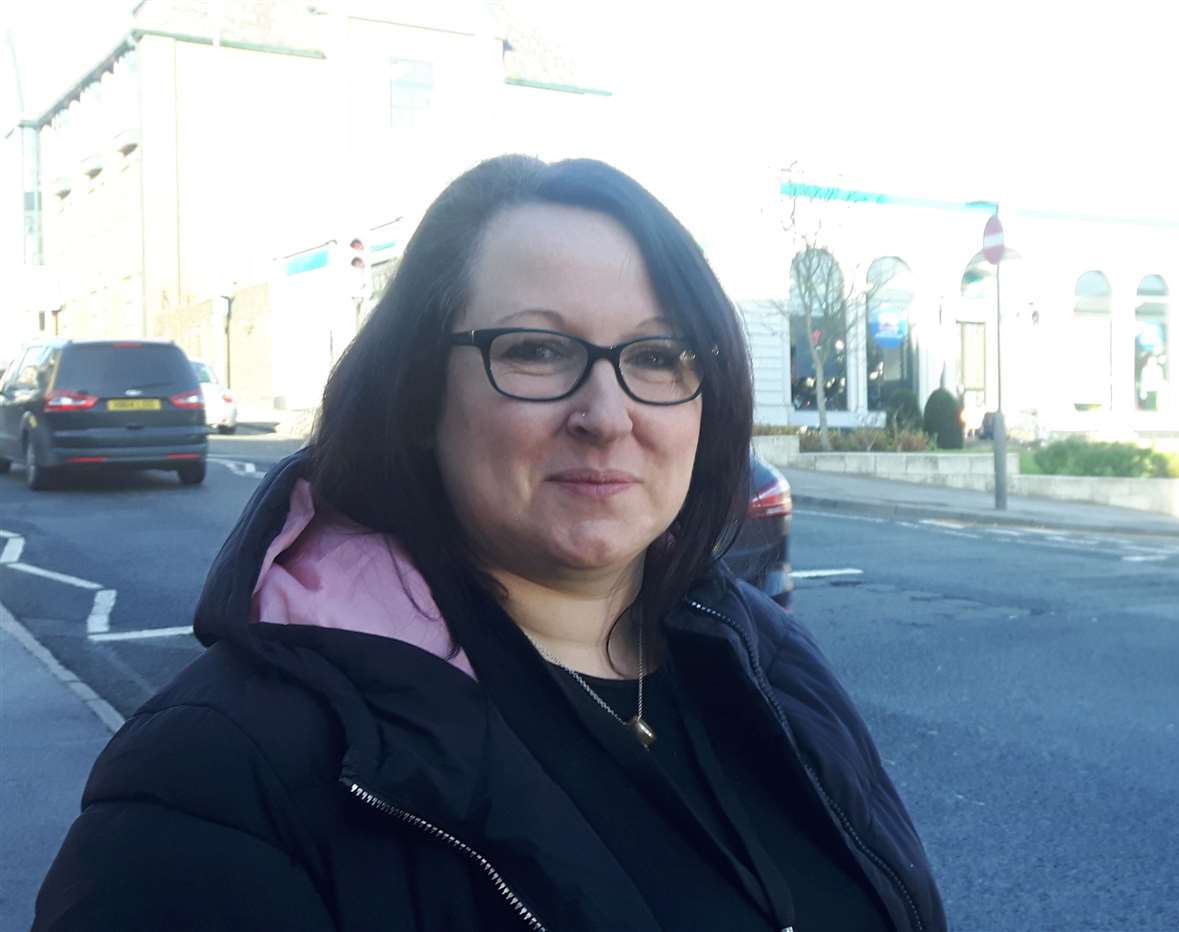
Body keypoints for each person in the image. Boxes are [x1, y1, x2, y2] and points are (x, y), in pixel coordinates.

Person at [33, 156, 946, 932]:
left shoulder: (763, 652)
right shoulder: (225, 775)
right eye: (538, 351)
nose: (607, 415)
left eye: (660, 356)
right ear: (422, 393)